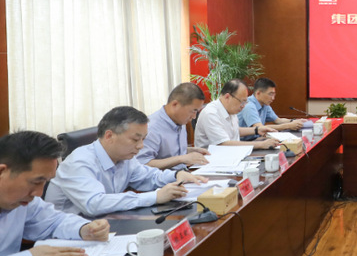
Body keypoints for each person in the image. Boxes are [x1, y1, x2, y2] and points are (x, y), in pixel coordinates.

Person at [45, 106, 208, 216]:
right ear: (109, 136)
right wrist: (155, 196)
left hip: (104, 224)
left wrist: (176, 176)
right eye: (135, 139)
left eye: (143, 139)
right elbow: (94, 203)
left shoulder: (125, 157)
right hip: (67, 235)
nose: (141, 146)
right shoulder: (80, 162)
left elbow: (147, 177)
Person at [136, 82, 209, 170]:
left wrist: (189, 150)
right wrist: (181, 158)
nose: (194, 117)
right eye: (193, 111)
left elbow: (168, 153)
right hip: (164, 177)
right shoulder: (151, 128)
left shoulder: (179, 120)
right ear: (175, 105)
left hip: (182, 173)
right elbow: (143, 163)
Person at [195, 79, 277, 150]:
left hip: (233, 155)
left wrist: (256, 130)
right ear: (227, 97)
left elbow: (234, 131)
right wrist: (261, 144)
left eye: (245, 102)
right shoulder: (211, 113)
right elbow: (223, 144)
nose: (243, 106)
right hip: (213, 159)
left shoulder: (230, 109)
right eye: (242, 102)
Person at [238, 77, 303, 141]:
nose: (273, 98)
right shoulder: (249, 106)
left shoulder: (265, 104)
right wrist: (288, 126)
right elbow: (261, 128)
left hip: (256, 139)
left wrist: (294, 121)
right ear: (258, 93)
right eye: (270, 94)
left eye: (274, 94)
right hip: (244, 143)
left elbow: (278, 120)